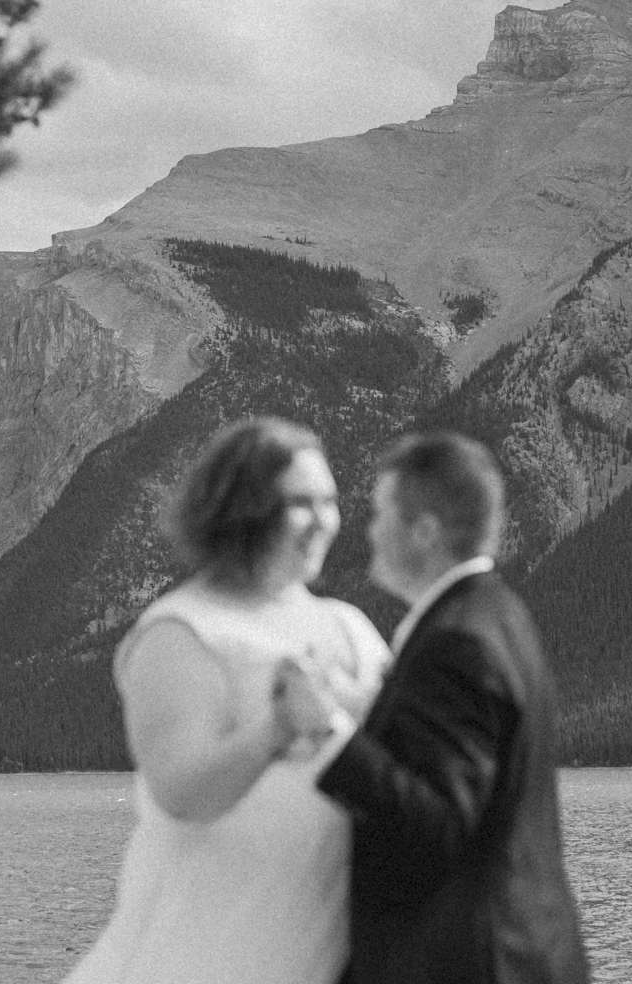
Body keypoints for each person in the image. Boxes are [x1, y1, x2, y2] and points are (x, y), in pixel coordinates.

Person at [65, 416, 392, 984]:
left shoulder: (352, 628)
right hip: (200, 956)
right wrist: (278, 729)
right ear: (240, 511)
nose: (323, 523)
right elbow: (182, 791)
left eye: (330, 501)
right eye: (300, 504)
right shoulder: (180, 631)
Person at [276, 431, 592, 984]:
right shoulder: (495, 613)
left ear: (424, 532)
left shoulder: (455, 644)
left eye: (379, 514)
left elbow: (440, 822)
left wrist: (326, 727)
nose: (367, 531)